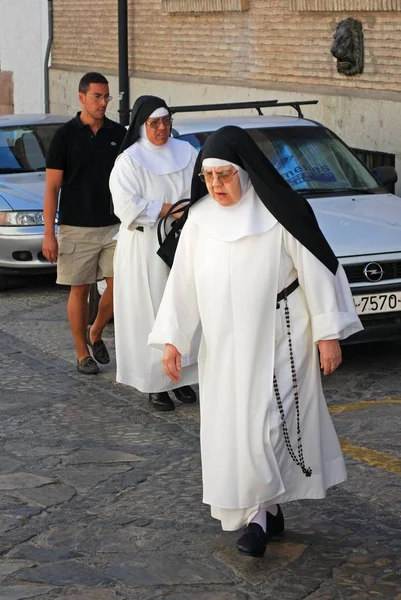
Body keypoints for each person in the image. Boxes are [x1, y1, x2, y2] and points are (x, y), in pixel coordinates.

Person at [149, 126, 363, 557]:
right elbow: (183, 284)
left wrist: (327, 335)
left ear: (245, 171)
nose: (216, 186)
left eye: (224, 175)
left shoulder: (278, 213)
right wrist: (173, 339)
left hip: (279, 337)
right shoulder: (200, 220)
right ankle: (265, 509)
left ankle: (260, 519)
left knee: (265, 424)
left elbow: (315, 269)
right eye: (209, 178)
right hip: (223, 345)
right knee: (233, 427)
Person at [109, 95, 199, 412]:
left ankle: (184, 377)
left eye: (166, 121)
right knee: (151, 312)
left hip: (182, 243)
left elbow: (200, 189)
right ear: (141, 126)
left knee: (184, 307)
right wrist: (168, 210)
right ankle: (155, 384)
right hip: (144, 247)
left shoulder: (187, 152)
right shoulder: (129, 161)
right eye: (154, 123)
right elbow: (125, 207)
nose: (161, 128)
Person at [42, 72, 126, 375]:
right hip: (76, 227)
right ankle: (81, 354)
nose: (103, 102)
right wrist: (48, 234)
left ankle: (96, 330)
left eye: (106, 97)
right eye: (97, 97)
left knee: (120, 286)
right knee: (79, 290)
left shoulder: (118, 133)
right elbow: (52, 188)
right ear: (82, 98)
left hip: (115, 226)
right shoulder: (64, 136)